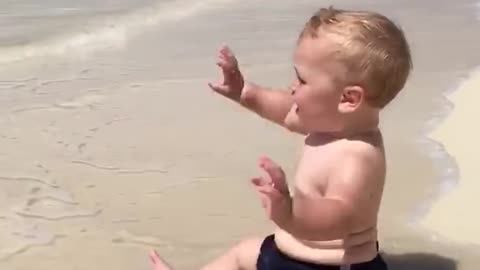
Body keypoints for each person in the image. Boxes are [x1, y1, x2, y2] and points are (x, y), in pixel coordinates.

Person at [150, 6, 412, 270]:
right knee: (243, 253)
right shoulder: (330, 124)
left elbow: (341, 215)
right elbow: (287, 109)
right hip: (292, 255)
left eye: (302, 80)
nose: (292, 86)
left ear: (348, 99)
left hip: (329, 267)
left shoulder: (356, 156)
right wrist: (243, 91)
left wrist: (290, 214)